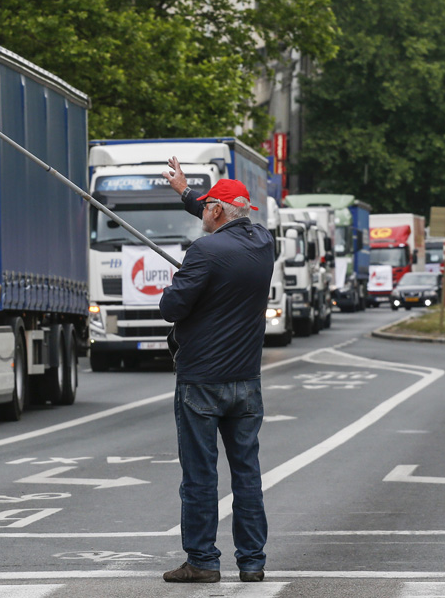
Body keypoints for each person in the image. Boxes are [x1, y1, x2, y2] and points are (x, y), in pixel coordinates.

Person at [158, 158, 273, 584]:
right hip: (246, 382)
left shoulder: (203, 252)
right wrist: (186, 193)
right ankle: (252, 562)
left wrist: (177, 282)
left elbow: (172, 308)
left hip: (201, 382)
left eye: (207, 205)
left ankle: (203, 561)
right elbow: (224, 221)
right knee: (247, 473)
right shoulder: (263, 242)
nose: (203, 210)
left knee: (201, 476)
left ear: (218, 212)